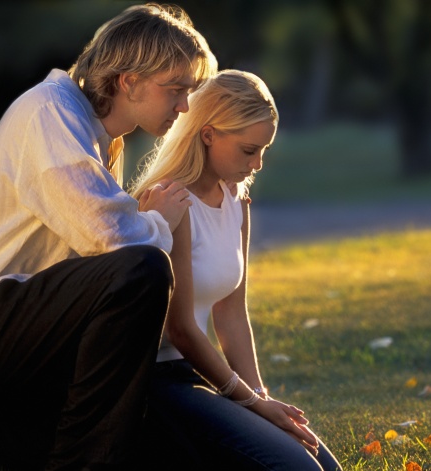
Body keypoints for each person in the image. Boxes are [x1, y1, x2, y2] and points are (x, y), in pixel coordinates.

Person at [0, 3, 217, 469]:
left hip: (29, 330)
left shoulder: (98, 136)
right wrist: (159, 221)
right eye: (176, 89)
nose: (184, 107)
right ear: (129, 81)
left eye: (190, 92)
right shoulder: (49, 112)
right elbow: (112, 238)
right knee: (142, 269)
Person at [129, 70, 342, 470]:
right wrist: (246, 400)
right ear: (208, 134)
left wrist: (259, 394)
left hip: (201, 372)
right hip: (157, 378)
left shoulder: (235, 200)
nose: (258, 163)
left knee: (324, 466)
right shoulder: (171, 202)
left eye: (264, 150)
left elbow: (231, 314)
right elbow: (181, 331)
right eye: (248, 150)